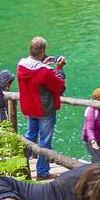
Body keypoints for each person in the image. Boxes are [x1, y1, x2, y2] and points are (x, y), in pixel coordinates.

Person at [16, 37, 66, 179]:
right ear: (43, 50)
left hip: (29, 108)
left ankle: (21, 166)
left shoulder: (21, 66)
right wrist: (59, 69)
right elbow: (59, 86)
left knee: (30, 136)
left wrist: (42, 63)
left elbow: (34, 76)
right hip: (44, 110)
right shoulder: (44, 72)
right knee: (45, 141)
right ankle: (42, 172)